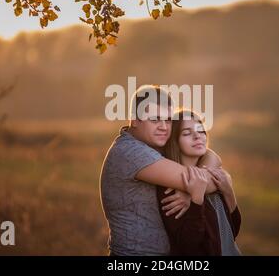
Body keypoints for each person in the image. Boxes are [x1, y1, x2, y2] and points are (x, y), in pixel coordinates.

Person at [100, 85, 221, 256]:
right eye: (155, 119)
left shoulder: (153, 146)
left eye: (168, 120)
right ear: (134, 120)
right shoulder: (131, 152)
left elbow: (211, 155)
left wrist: (190, 189)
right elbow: (199, 181)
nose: (164, 127)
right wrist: (192, 189)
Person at [157, 109, 242, 255]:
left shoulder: (214, 178)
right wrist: (196, 199)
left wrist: (228, 192)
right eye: (187, 133)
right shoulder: (170, 189)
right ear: (174, 141)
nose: (197, 136)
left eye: (201, 131)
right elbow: (188, 246)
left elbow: (232, 231)